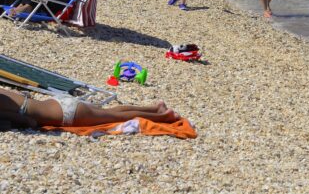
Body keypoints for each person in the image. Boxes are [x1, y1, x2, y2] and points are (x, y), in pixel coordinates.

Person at [0, 86, 179, 130]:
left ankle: (163, 117)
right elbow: (27, 98)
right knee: (110, 111)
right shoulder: (3, 92)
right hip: (57, 102)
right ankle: (154, 108)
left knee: (116, 118)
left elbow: (29, 121)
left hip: (66, 114)